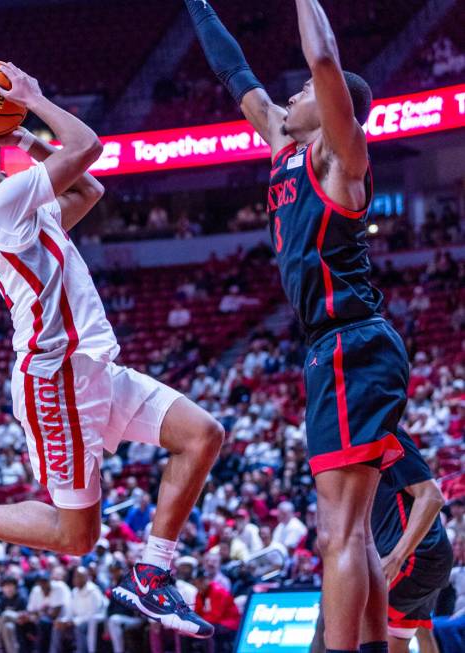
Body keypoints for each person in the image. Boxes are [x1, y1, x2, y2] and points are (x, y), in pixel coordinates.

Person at [0, 61, 223, 639]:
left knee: (203, 435)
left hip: (94, 367)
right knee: (76, 536)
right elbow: (88, 147)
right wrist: (34, 99)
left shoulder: (19, 210)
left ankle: (153, 572)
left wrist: (25, 137)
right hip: (57, 380)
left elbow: (87, 186)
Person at [185, 2, 411, 652]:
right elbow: (234, 71)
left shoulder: (343, 158)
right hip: (342, 346)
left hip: (351, 343)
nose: (291, 91)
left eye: (307, 92)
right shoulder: (283, 144)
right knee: (355, 527)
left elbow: (323, 57)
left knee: (338, 528)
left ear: (336, 105)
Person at [311, 430, 453, 653]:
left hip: (415, 559)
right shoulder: (353, 442)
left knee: (337, 621)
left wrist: (397, 557)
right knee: (399, 643)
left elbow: (431, 497)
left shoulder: (385, 431)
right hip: (424, 559)